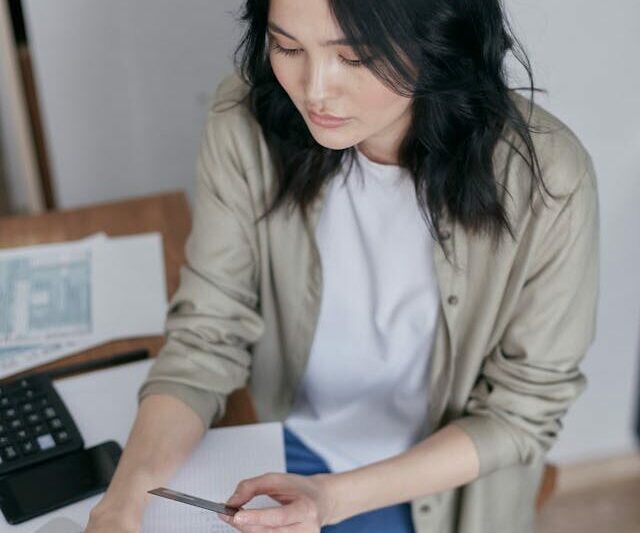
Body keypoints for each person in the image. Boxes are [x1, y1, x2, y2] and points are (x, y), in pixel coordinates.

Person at [86, 0, 599, 532]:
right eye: (287, 47)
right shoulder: (243, 118)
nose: (314, 91)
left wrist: (330, 499)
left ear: (439, 39)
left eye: (355, 58)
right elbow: (206, 333)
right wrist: (122, 501)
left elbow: (521, 414)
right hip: (279, 437)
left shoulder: (549, 184)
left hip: (428, 484)